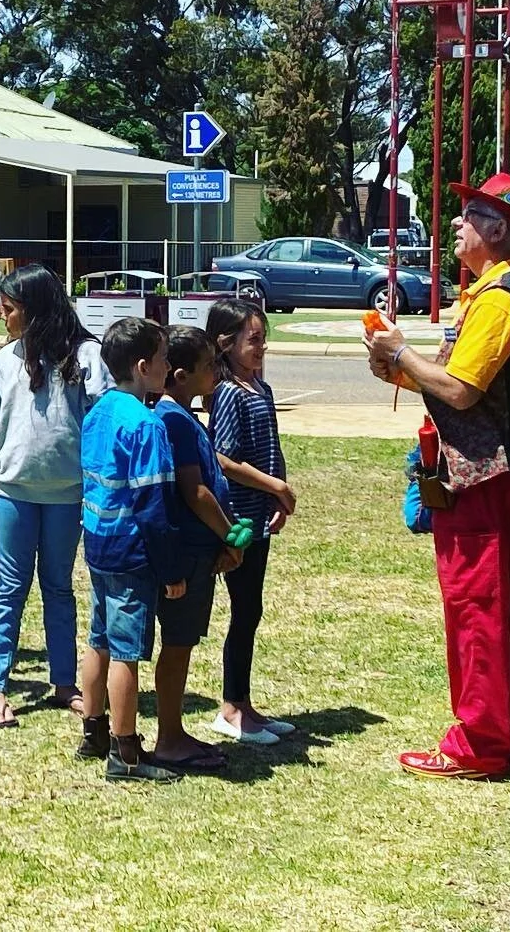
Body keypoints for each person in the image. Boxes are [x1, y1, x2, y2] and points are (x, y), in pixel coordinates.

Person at [366, 172, 510, 780]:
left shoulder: (501, 298)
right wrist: (399, 368)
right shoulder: (504, 292)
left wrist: (401, 356)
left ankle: (479, 743)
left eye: (469, 215)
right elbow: (458, 382)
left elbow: (463, 389)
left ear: (497, 231)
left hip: (486, 481)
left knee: (476, 610)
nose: (456, 223)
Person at [0, 264, 110, 729]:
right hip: (13, 492)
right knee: (10, 588)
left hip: (68, 496)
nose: (0, 314)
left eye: (8, 308)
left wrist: (98, 492)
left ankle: (65, 682)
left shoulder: (87, 357)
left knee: (58, 587)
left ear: (35, 311)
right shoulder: (3, 362)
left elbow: (100, 426)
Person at [77, 317, 184, 784]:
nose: (168, 366)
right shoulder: (146, 423)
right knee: (127, 651)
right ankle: (125, 751)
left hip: (97, 541)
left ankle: (93, 730)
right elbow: (153, 505)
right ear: (143, 367)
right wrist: (170, 567)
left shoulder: (98, 412)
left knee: (98, 639)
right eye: (163, 359)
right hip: (131, 550)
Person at [148, 324, 247, 771]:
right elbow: (196, 492)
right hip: (186, 551)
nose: (217, 375)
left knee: (182, 642)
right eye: (210, 367)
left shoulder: (185, 416)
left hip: (195, 548)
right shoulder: (173, 418)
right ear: (181, 374)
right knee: (178, 643)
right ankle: (169, 736)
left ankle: (174, 732)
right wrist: (230, 535)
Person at [207, 299, 297, 745]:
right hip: (237, 518)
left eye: (264, 339)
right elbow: (222, 458)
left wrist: (280, 490)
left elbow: (271, 445)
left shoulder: (259, 387)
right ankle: (229, 708)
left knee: (251, 609)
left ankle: (243, 702)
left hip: (259, 515)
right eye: (253, 339)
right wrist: (271, 487)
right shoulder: (226, 392)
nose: (261, 347)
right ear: (227, 344)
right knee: (244, 610)